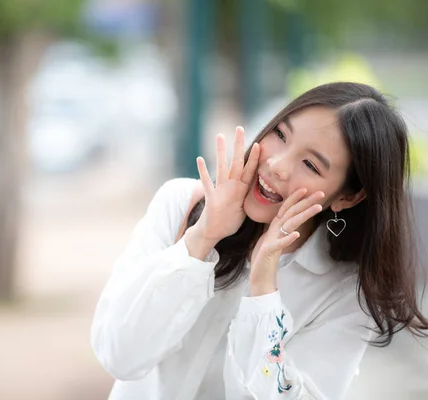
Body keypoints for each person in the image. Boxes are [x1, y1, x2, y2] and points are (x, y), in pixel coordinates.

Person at [90, 82, 428, 399]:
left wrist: (264, 288)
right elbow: (119, 355)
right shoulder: (181, 204)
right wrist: (203, 237)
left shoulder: (344, 291)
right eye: (280, 134)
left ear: (348, 197)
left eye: (310, 164)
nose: (277, 164)